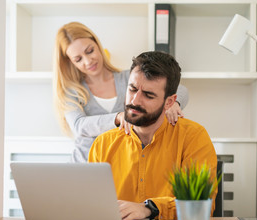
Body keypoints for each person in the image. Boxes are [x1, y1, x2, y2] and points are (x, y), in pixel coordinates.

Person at [88, 51, 217, 220]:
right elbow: (91, 206)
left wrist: (150, 208)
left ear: (169, 102)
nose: (135, 101)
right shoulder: (102, 144)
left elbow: (200, 205)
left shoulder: (193, 137)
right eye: (132, 89)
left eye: (148, 95)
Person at [53, 22, 189, 163]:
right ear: (70, 62)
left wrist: (173, 103)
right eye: (78, 59)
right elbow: (79, 126)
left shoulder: (127, 79)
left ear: (97, 45)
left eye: (90, 51)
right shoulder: (72, 91)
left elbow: (181, 89)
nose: (88, 61)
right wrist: (118, 118)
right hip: (85, 165)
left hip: (124, 165)